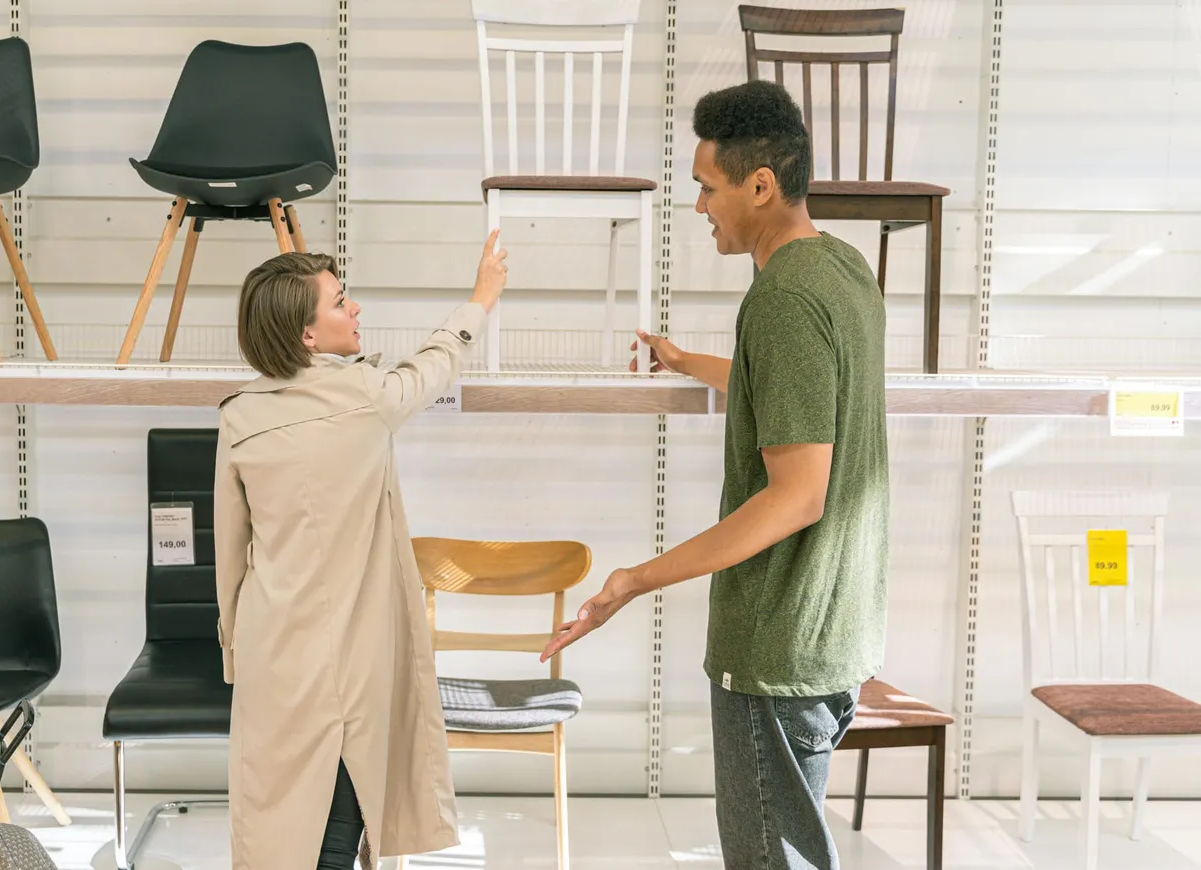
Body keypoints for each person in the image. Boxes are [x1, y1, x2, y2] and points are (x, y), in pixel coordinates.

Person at [542, 80, 890, 870]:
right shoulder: (844, 272)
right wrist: (683, 361)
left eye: (707, 186)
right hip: (834, 637)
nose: (699, 205)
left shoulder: (783, 299)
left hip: (776, 645)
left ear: (759, 185)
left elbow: (798, 496)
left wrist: (635, 578)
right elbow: (795, 391)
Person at [214, 230, 508, 870]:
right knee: (343, 816)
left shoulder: (237, 416)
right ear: (308, 338)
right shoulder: (367, 397)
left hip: (272, 652)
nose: (356, 311)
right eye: (340, 302)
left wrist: (236, 651)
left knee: (276, 819)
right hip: (353, 650)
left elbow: (230, 554)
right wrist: (481, 297)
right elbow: (436, 362)